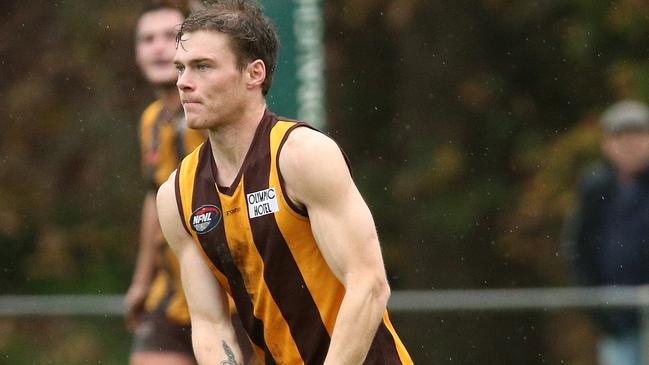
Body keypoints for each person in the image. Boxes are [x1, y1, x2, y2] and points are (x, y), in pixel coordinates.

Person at [155, 1, 414, 364]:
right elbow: (211, 325)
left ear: (254, 73)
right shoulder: (176, 196)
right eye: (180, 68)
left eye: (203, 66)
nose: (183, 81)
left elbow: (369, 284)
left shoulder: (302, 155)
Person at [125, 2, 205, 364]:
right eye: (147, 39)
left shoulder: (215, 112)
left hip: (232, 296)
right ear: (137, 53)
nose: (158, 47)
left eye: (171, 37)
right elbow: (154, 198)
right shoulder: (151, 121)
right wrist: (142, 281)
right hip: (171, 295)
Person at [564, 99, 649, 365]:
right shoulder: (594, 187)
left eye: (637, 137)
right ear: (606, 144)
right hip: (615, 316)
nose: (629, 145)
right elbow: (579, 248)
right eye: (621, 138)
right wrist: (596, 306)